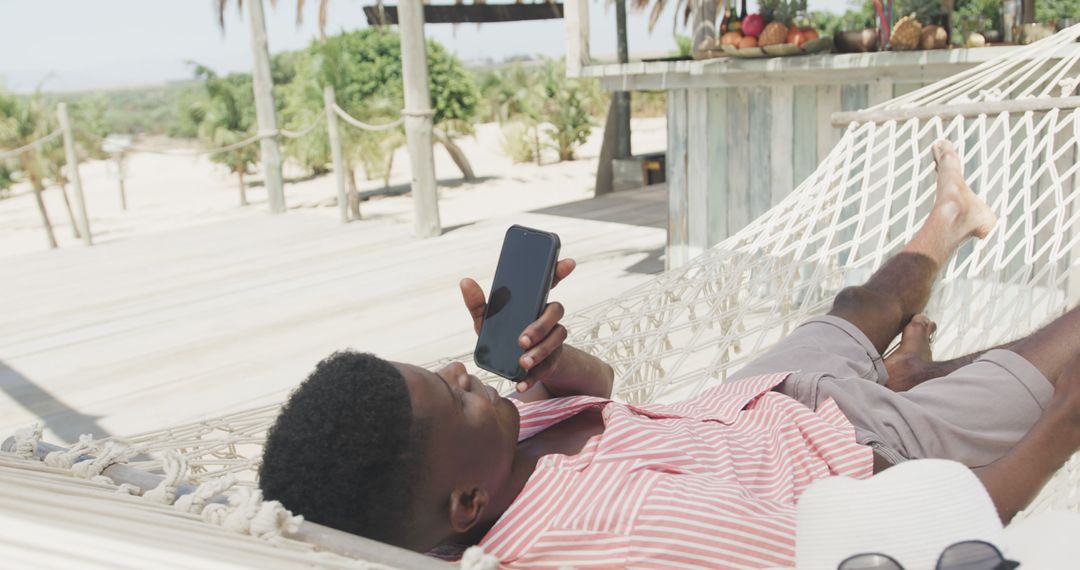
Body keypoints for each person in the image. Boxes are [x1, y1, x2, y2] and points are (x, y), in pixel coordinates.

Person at [259, 140, 1080, 568]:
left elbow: (614, 405)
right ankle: (913, 380)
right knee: (1051, 354)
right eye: (452, 395)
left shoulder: (480, 467)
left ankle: (952, 217)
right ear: (467, 505)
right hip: (872, 452)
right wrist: (1059, 432)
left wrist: (559, 371)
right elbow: (896, 542)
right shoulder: (625, 535)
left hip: (753, 401)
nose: (455, 369)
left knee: (860, 305)